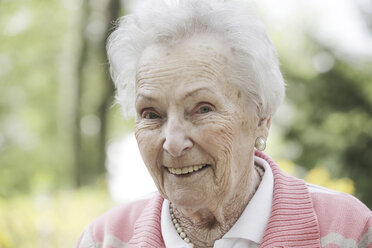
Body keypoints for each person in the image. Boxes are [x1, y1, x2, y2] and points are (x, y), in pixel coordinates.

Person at [75, 0, 372, 247]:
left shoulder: (349, 232)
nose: (174, 142)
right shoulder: (104, 240)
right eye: (152, 114)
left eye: (202, 109)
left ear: (261, 117)